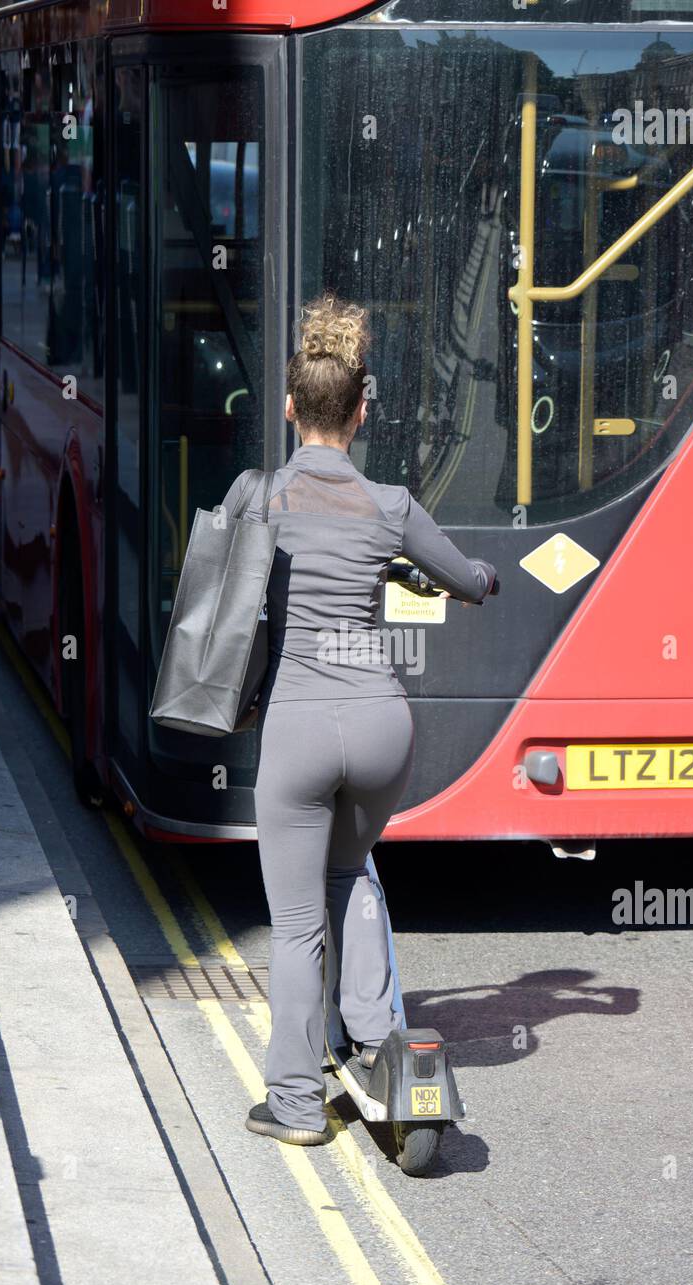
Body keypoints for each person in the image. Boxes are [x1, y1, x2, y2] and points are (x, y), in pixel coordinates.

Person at [222, 294, 497, 1146]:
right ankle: (381, 1045)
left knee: (300, 922)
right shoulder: (392, 505)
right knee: (354, 875)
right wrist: (485, 577)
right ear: (365, 409)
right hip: (382, 727)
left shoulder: (260, 496)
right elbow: (466, 578)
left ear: (291, 408)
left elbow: (216, 592)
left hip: (300, 729)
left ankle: (298, 1106)